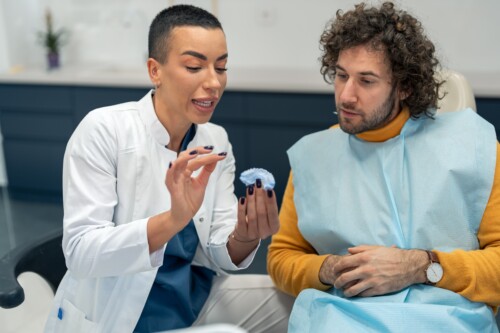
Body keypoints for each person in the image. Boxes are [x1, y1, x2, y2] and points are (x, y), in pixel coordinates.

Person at [44, 5, 293, 333]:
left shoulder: (215, 139)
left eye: (221, 67)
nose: (214, 82)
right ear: (155, 70)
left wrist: (245, 235)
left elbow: (221, 248)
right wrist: (172, 220)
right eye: (194, 66)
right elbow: (80, 252)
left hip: (192, 299)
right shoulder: (104, 130)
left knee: (301, 303)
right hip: (117, 317)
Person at [267, 2, 500, 332]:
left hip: (444, 321)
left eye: (367, 81)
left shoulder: (472, 148)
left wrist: (422, 266)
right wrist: (330, 269)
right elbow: (282, 258)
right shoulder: (315, 157)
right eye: (341, 75)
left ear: (404, 87)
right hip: (342, 319)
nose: (346, 96)